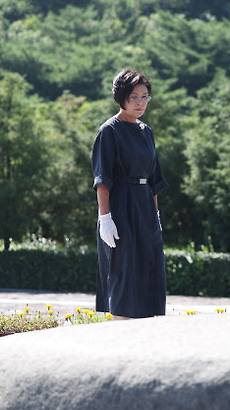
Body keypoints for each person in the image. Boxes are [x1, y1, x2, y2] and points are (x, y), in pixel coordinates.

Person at [91, 69, 168, 319]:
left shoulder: (147, 132)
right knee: (123, 272)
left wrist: (155, 215)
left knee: (150, 268)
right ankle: (120, 331)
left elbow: (154, 178)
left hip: (145, 205)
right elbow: (103, 180)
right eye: (134, 97)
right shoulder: (109, 131)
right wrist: (105, 218)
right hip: (121, 207)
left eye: (145, 97)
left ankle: (148, 333)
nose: (140, 102)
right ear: (121, 97)